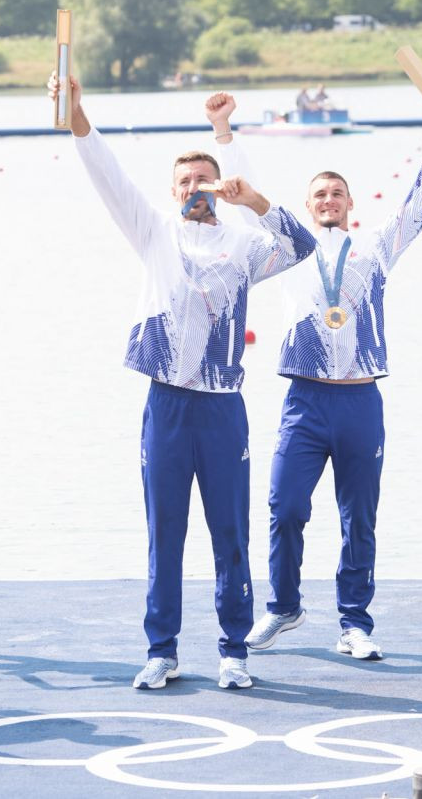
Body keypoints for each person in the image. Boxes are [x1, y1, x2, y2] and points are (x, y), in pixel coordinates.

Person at [48, 71, 316, 691]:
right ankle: (161, 650)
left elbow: (302, 247)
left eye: (204, 179)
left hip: (222, 408)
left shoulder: (245, 245)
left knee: (230, 534)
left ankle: (234, 651)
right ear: (173, 192)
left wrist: (255, 200)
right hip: (165, 405)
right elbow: (107, 175)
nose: (195, 188)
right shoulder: (154, 233)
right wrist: (78, 114)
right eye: (185, 182)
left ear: (219, 188)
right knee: (164, 532)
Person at [204, 90, 422, 661]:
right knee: (285, 507)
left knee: (358, 517)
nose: (328, 200)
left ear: (349, 203)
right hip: (306, 401)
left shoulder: (375, 247)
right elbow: (246, 200)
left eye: (337, 193)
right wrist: (223, 131)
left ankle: (354, 622)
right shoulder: (288, 249)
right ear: (307, 204)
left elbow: (419, 206)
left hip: (360, 400)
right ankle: (283, 607)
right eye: (319, 194)